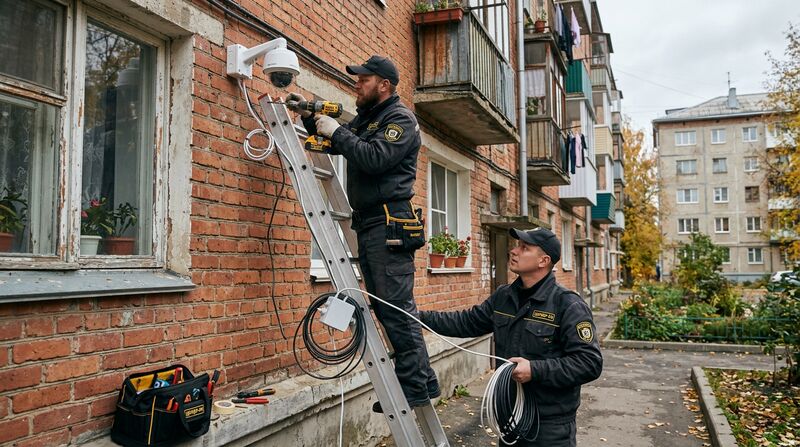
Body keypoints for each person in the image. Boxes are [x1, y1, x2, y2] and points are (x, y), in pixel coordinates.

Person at [287, 55, 439, 412]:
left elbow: (372, 158)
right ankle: (424, 379)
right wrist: (310, 116)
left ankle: (414, 387)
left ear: (383, 85)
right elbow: (341, 144)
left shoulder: (400, 119)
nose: (357, 84)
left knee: (396, 309)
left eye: (363, 79)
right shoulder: (369, 120)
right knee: (386, 308)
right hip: (371, 223)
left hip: (390, 223)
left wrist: (336, 128)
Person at [420, 227, 603, 446]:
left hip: (549, 427)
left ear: (543, 261)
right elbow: (465, 322)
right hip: (509, 417)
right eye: (517, 246)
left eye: (524, 248)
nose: (513, 251)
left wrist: (535, 370)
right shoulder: (504, 296)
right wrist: (414, 315)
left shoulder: (568, 305)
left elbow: (589, 363)